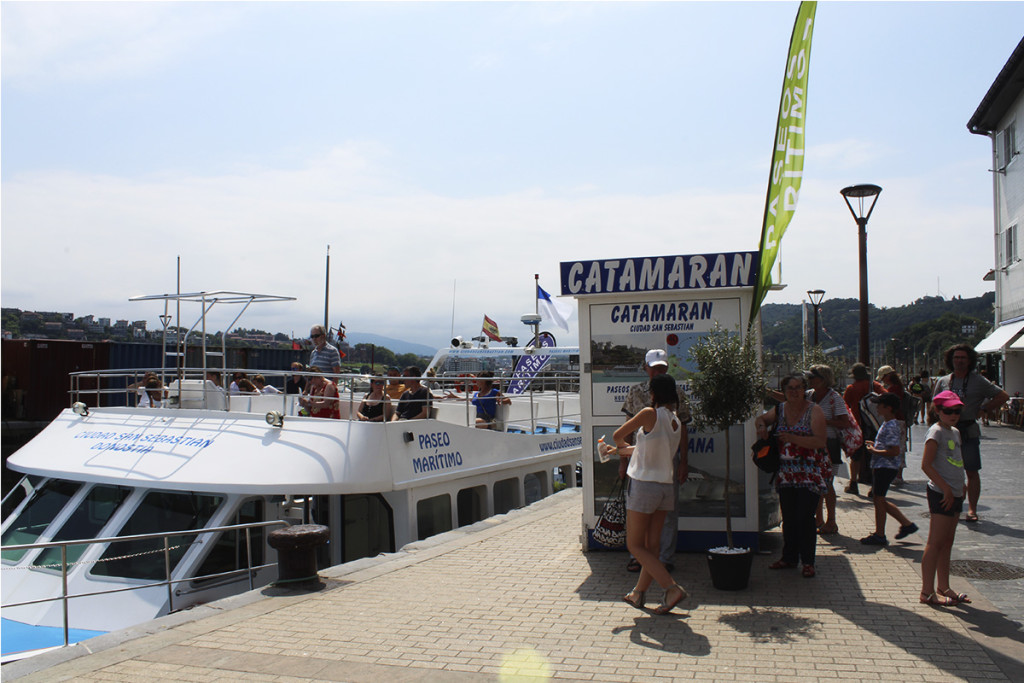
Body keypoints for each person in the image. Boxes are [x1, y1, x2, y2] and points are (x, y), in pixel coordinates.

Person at [602, 373, 687, 615]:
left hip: (644, 485)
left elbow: (619, 435)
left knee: (635, 545)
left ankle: (670, 588)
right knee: (651, 547)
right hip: (664, 487)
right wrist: (619, 452)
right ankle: (638, 593)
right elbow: (644, 449)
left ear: (653, 393)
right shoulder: (674, 421)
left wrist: (616, 446)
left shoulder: (649, 414)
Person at [621, 349, 690, 574]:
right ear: (646, 368)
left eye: (661, 367)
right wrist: (623, 461)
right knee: (639, 514)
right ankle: (638, 558)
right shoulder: (635, 392)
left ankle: (665, 558)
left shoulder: (677, 392)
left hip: (668, 460)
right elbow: (627, 429)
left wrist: (683, 463)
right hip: (641, 460)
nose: (657, 370)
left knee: (668, 514)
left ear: (667, 369)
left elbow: (684, 429)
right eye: (654, 367)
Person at [755, 374, 829, 578]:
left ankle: (808, 561)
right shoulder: (780, 410)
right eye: (790, 388)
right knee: (788, 518)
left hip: (809, 473)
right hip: (786, 474)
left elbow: (820, 441)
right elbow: (761, 418)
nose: (795, 392)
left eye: (799, 388)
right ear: (784, 390)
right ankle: (789, 557)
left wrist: (792, 438)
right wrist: (761, 426)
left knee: (804, 517)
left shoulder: (814, 411)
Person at [933, 344, 1009, 523]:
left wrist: (983, 409)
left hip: (967, 430)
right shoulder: (943, 381)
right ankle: (951, 502)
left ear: (969, 361)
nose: (959, 361)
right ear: (951, 360)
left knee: (972, 471)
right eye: (956, 358)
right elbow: (934, 403)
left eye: (963, 358)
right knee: (945, 469)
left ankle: (972, 509)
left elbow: (1002, 396)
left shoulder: (977, 380)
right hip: (945, 431)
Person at [919, 390, 971, 606]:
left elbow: (956, 461)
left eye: (957, 411)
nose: (954, 414)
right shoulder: (936, 432)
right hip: (942, 493)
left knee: (947, 542)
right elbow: (926, 465)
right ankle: (927, 591)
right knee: (935, 542)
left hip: (955, 492)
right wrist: (946, 489)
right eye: (948, 411)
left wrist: (962, 485)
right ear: (938, 410)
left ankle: (943, 585)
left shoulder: (955, 432)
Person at [860, 393, 918, 546]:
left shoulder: (891, 425)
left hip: (885, 467)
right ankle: (906, 524)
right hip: (882, 466)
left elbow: (894, 451)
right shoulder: (888, 423)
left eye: (880, 405)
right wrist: (876, 445)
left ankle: (880, 534)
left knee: (879, 499)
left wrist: (874, 451)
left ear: (888, 408)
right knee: (879, 499)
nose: (877, 407)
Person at [805, 365, 852, 536]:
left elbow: (845, 422)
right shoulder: (809, 395)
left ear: (823, 379)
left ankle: (831, 521)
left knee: (827, 483)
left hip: (830, 445)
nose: (809, 380)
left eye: (812, 377)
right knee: (815, 482)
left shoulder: (834, 398)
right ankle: (819, 519)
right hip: (812, 443)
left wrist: (823, 421)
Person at [842, 363, 884, 495]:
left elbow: (845, 406)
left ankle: (853, 483)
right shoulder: (875, 386)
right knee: (874, 455)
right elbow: (887, 396)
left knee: (856, 456)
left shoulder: (851, 388)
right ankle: (874, 486)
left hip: (857, 426)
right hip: (873, 425)